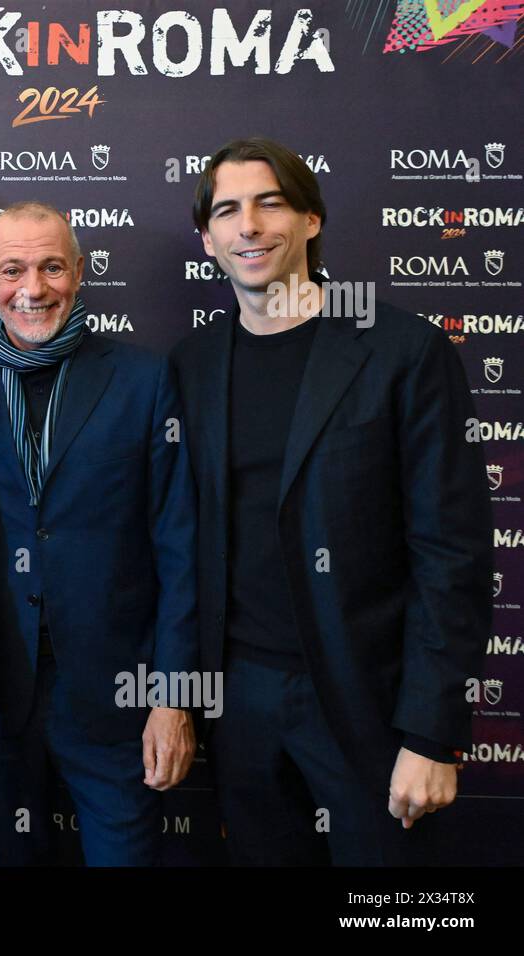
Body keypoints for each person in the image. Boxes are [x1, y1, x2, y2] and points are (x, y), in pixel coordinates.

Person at [170, 137, 492, 865]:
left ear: (311, 220)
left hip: (368, 701)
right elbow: (181, 541)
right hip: (237, 700)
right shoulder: (192, 363)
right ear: (208, 238)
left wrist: (430, 732)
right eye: (227, 210)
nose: (248, 225)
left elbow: (454, 553)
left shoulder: (402, 351)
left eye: (269, 203)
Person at [0, 202, 198, 866]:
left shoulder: (145, 381)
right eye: (12, 270)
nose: (32, 290)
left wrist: (174, 696)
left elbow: (179, 548)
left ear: (81, 273)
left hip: (117, 697)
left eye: (51, 267)